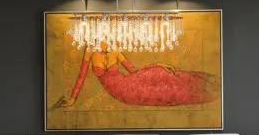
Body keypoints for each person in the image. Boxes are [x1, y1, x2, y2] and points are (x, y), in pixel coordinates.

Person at [57, 41, 217, 109]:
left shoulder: (115, 50)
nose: (106, 41)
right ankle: (202, 90)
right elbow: (81, 77)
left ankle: (204, 83)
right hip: (122, 93)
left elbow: (133, 71)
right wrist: (72, 100)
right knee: (161, 94)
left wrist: (157, 65)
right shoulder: (90, 50)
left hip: (130, 81)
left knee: (164, 78)